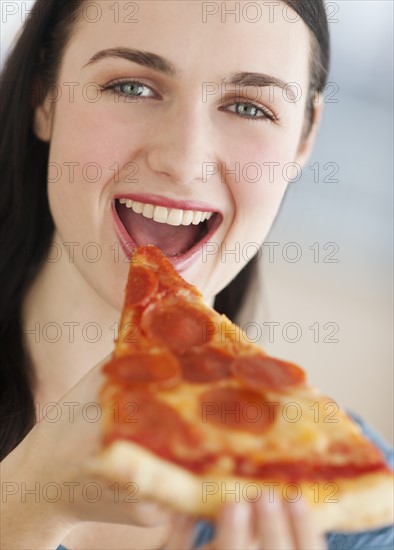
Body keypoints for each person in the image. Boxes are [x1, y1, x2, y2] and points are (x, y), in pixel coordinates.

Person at [0, 1, 392, 549]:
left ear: (305, 139)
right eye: (132, 87)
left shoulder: (361, 517)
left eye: (248, 107)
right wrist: (21, 504)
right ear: (45, 95)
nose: (184, 161)